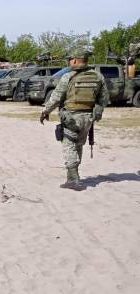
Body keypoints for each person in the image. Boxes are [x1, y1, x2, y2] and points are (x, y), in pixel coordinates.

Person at [40, 49, 108, 191]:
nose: (69, 62)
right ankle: (71, 177)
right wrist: (98, 111)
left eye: (70, 59)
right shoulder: (98, 76)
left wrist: (45, 111)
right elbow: (104, 98)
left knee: (69, 145)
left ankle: (74, 179)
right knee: (78, 146)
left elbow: (56, 97)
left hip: (71, 117)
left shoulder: (68, 77)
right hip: (88, 118)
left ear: (76, 60)